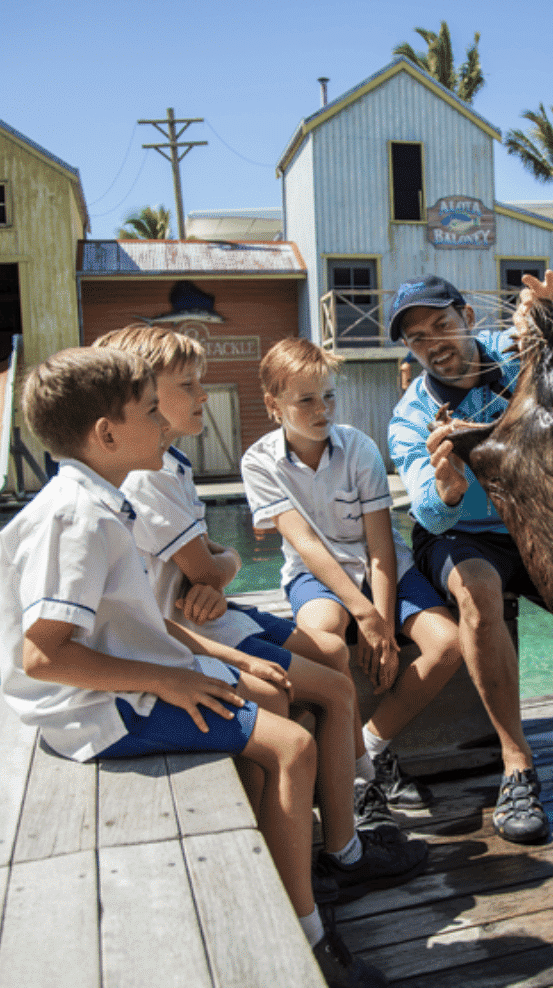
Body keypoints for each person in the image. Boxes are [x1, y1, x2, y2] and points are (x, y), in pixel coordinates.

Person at [0, 346, 385, 987]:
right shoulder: (78, 516)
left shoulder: (99, 500)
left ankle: (283, 882)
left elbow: (134, 622)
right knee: (290, 749)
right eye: (152, 410)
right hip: (98, 710)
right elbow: (43, 654)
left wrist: (211, 658)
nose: (164, 422)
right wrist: (171, 678)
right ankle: (308, 939)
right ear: (107, 433)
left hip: (130, 680)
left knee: (278, 724)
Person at [93, 325, 428, 889]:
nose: (205, 396)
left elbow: (217, 566)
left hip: (213, 617)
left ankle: (347, 800)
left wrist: (218, 567)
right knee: (333, 687)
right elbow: (211, 568)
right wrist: (219, 567)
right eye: (189, 386)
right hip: (197, 632)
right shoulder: (151, 479)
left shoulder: (170, 465)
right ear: (142, 401)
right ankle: (344, 848)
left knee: (328, 652)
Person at [387, 272, 553, 845]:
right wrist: (449, 485)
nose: (434, 342)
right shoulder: (409, 417)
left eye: (440, 324)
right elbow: (430, 515)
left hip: (534, 520)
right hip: (462, 533)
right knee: (479, 590)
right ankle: (516, 763)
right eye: (417, 338)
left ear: (464, 314)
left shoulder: (512, 353)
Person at [240, 337, 464, 809]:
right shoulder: (258, 461)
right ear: (273, 405)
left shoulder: (358, 447)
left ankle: (372, 745)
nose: (322, 410)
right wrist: (364, 616)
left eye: (329, 396)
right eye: (306, 400)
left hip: (385, 571)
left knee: (448, 645)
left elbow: (381, 547)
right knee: (322, 639)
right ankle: (356, 775)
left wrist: (381, 621)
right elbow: (307, 545)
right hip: (314, 575)